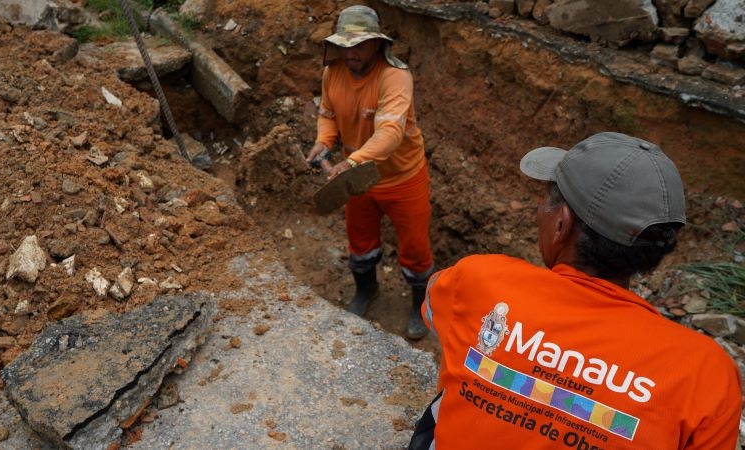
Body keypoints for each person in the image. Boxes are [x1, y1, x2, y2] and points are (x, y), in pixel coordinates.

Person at [409, 132, 742, 449]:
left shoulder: (479, 279)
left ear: (561, 225)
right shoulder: (705, 372)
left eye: (547, 202)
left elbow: (434, 308)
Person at [306, 5, 434, 339]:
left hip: (402, 177)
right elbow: (328, 113)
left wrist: (351, 161)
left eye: (359, 45)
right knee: (360, 243)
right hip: (358, 180)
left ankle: (421, 305)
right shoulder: (333, 71)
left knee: (416, 249)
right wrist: (324, 141)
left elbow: (390, 134)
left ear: (377, 44)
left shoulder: (395, 77)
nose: (351, 53)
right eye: (346, 46)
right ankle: (366, 290)